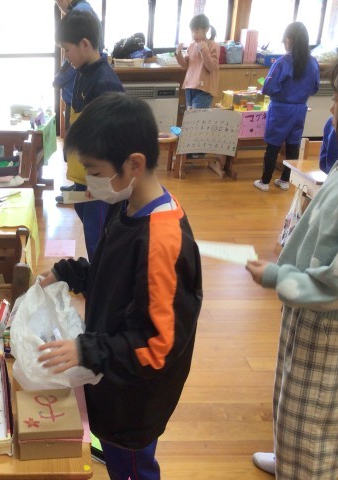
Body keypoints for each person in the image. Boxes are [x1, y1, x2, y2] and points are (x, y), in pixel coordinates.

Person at [37, 93, 203, 480]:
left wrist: (87, 349)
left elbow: (158, 347)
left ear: (134, 164)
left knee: (131, 467)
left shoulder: (162, 241)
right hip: (113, 375)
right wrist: (70, 273)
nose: (90, 182)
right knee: (115, 453)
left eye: (94, 171)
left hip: (134, 398)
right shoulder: (126, 204)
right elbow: (112, 275)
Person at [247, 55, 338, 479]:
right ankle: (287, 456)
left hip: (332, 324)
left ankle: (302, 467)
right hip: (306, 306)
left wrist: (278, 276)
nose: (332, 106)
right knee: (291, 400)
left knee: (314, 422)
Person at [55, 9, 124, 259]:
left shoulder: (103, 82)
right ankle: (97, 271)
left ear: (84, 44)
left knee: (97, 235)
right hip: (83, 171)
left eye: (67, 49)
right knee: (88, 222)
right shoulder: (83, 72)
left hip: (98, 176)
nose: (66, 55)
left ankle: (100, 276)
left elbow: (107, 137)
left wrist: (98, 177)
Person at [253, 22, 320, 192]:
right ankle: (285, 180)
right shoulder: (312, 62)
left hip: (280, 110)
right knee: (292, 145)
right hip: (300, 109)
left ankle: (265, 181)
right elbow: (315, 88)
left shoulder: (282, 62)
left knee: (273, 145)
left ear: (288, 40)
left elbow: (268, 87)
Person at [53, 0, 103, 135]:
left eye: (66, 50)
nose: (60, 7)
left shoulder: (78, 14)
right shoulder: (87, 10)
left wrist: (58, 81)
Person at [175, 14, 220, 110]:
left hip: (205, 89)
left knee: (198, 116)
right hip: (190, 86)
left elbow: (211, 67)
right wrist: (178, 54)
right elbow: (186, 65)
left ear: (206, 30)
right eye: (192, 31)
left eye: (196, 31)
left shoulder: (213, 45)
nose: (193, 34)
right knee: (190, 115)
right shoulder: (192, 45)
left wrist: (203, 49)